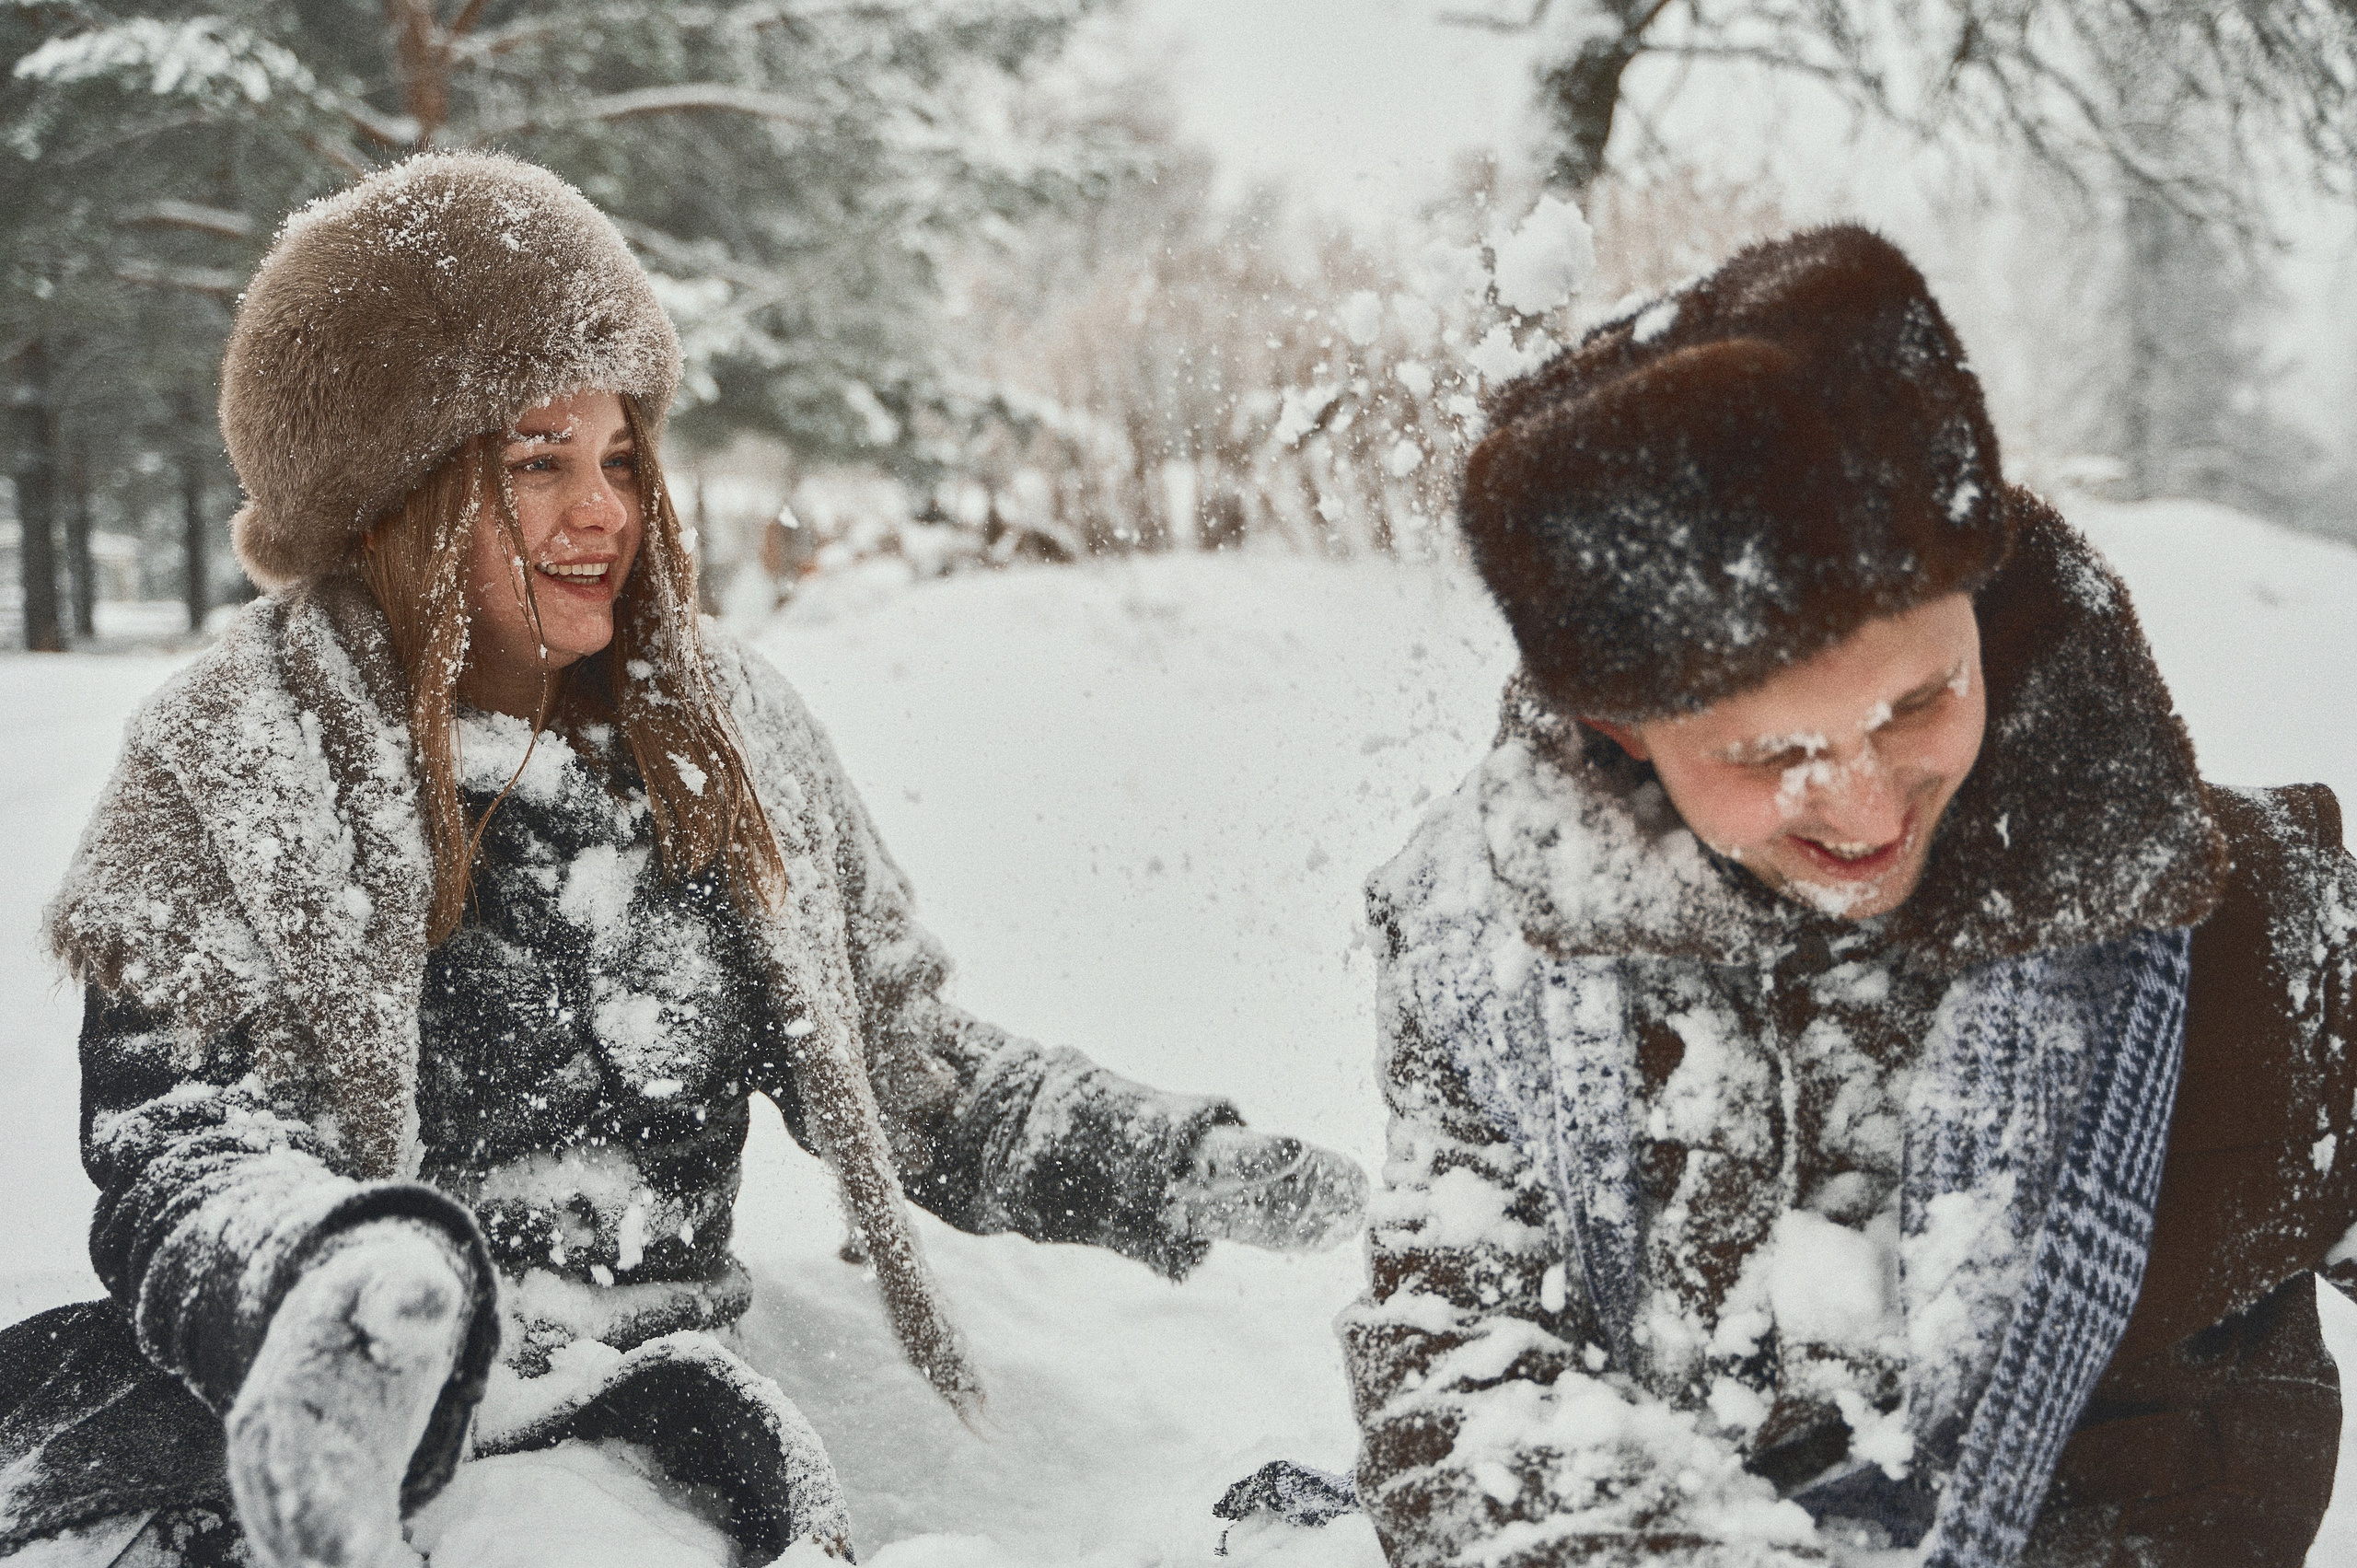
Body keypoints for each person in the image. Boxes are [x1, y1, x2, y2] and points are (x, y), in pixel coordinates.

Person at [0, 151, 1365, 1568]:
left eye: (621, 459)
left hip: (648, 1447)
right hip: (305, 1437)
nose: (605, 513)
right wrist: (351, 1293)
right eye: (537, 464)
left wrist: (1195, 1170)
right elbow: (185, 1149)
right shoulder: (235, 760)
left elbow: (915, 1070)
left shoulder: (725, 735)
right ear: (391, 493)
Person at [1340, 226, 2357, 1567]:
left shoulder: (2253, 928)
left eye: (1923, 702)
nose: (1870, 811)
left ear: (1982, 612)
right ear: (1625, 728)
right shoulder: (1484, 958)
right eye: (1770, 759)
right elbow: (1462, 1375)